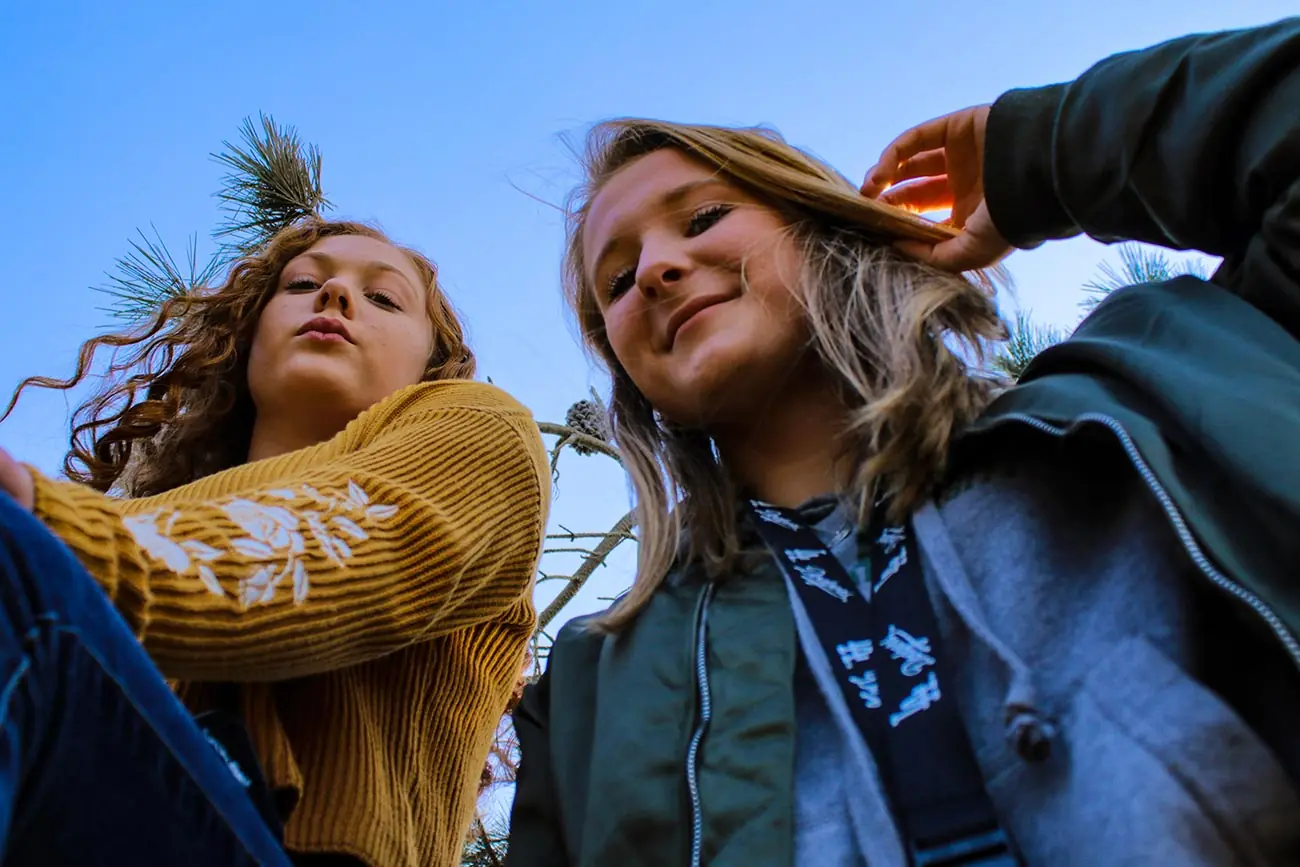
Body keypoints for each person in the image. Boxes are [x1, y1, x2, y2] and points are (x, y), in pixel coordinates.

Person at [506, 16, 1300, 867]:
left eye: (701, 217)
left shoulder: (1153, 398)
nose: (657, 269)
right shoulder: (594, 690)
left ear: (825, 232)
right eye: (617, 280)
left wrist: (1034, 152)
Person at [0, 218, 550, 867]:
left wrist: (40, 525)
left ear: (432, 360)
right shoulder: (128, 519)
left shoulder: (479, 434)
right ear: (245, 337)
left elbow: (334, 544)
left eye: (383, 298)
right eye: (304, 283)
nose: (336, 296)